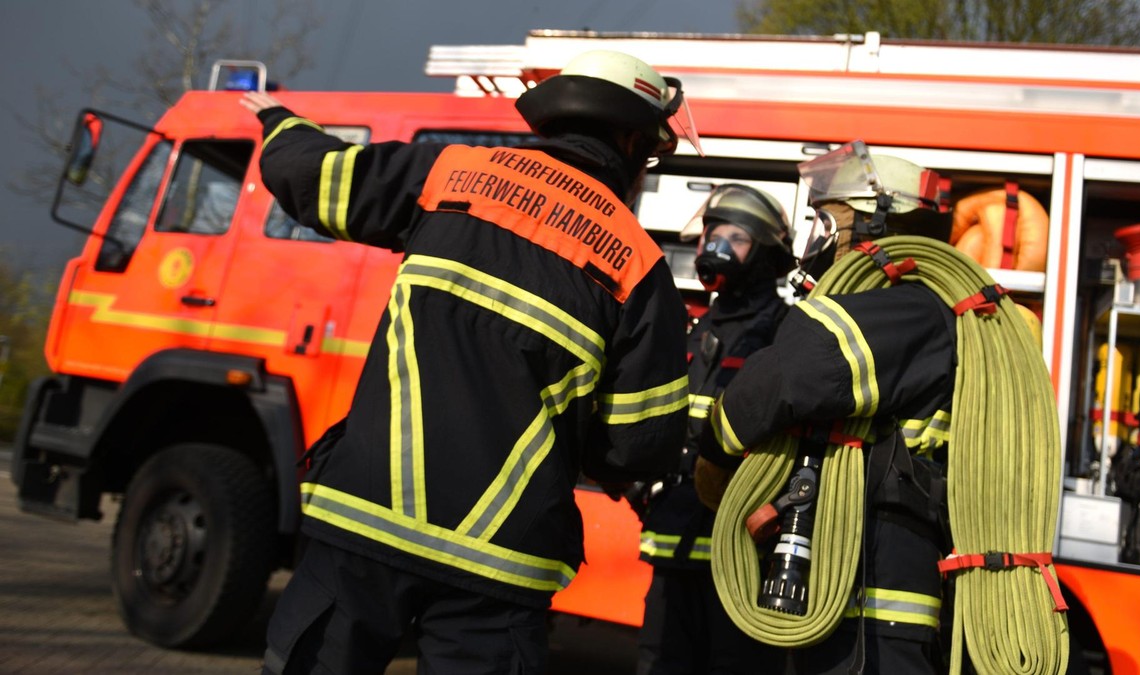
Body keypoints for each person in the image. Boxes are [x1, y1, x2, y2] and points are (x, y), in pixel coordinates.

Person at [240, 49, 696, 675]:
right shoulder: (640, 269)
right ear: (629, 141)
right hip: (500, 562)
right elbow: (638, 446)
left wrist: (280, 121)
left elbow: (312, 177)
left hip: (369, 518)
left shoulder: (448, 175)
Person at [695, 142, 957, 674]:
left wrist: (716, 452)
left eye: (827, 223)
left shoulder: (908, 308)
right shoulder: (909, 308)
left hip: (875, 609)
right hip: (853, 598)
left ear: (873, 227)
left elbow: (787, 374)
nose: (817, 239)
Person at [635, 184, 794, 675]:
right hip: (674, 539)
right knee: (660, 663)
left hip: (742, 555)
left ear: (765, 255)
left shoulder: (785, 332)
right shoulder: (697, 327)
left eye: (735, 238)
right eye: (712, 235)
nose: (716, 247)